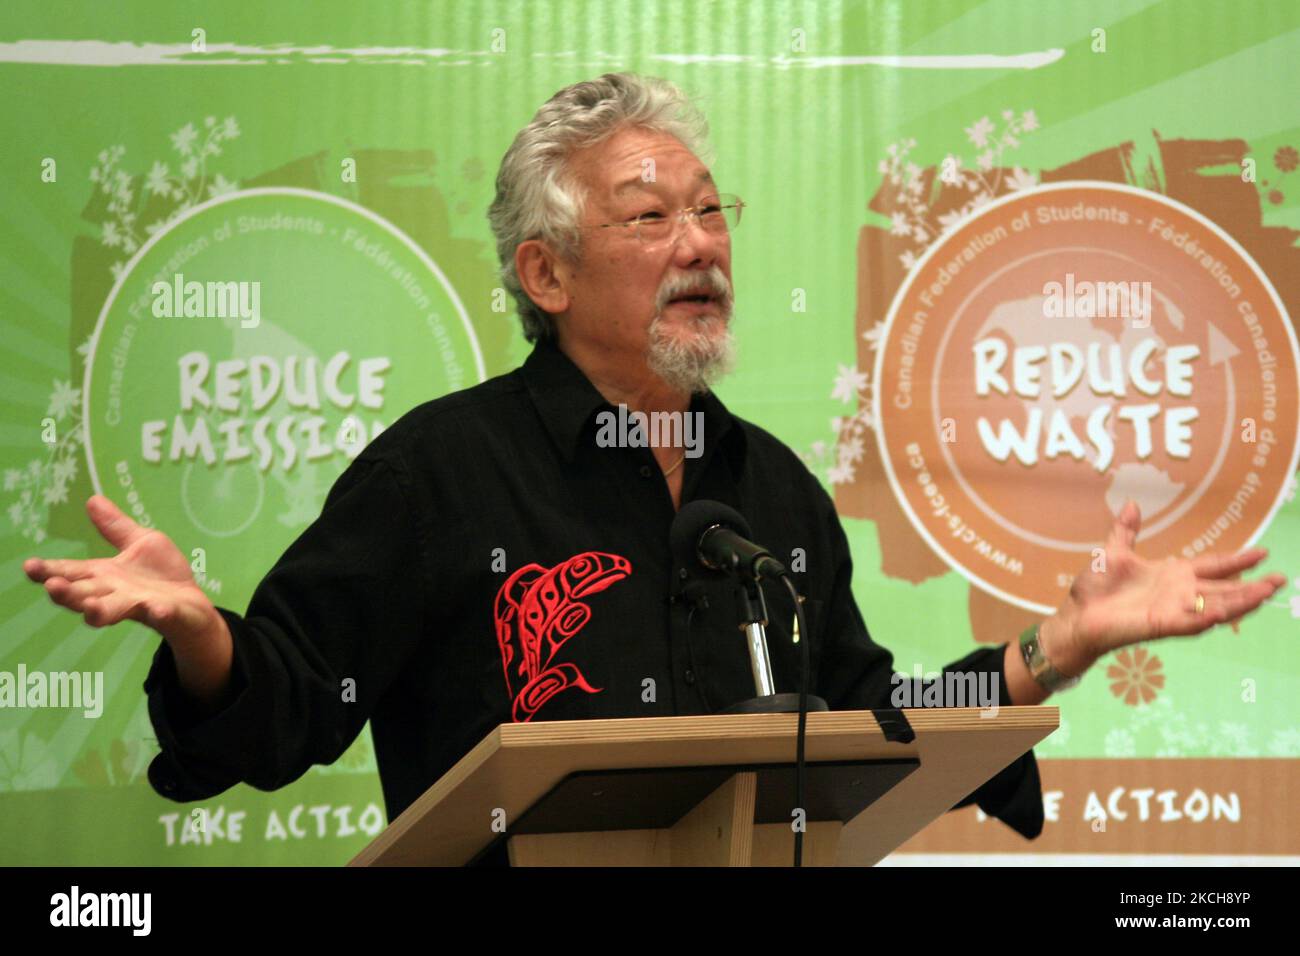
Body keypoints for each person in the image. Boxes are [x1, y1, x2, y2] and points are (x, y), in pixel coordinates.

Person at [23, 74, 1284, 861]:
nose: (701, 244)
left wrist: (1054, 644)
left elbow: (867, 725)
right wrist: (199, 628)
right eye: (650, 217)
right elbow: (289, 702)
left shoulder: (772, 489)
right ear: (546, 274)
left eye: (712, 208)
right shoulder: (443, 471)